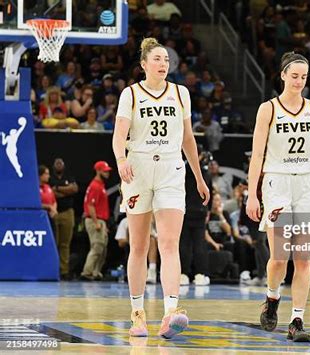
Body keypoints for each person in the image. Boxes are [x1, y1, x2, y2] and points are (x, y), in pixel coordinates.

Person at [112, 38, 210, 339]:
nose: (163, 63)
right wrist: (120, 159)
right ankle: (138, 314)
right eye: (157, 59)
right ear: (144, 64)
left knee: (169, 243)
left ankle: (171, 312)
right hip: (139, 169)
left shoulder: (180, 94)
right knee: (139, 246)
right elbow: (119, 136)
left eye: (166, 59)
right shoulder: (130, 94)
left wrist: (199, 176)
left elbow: (188, 139)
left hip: (171, 168)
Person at [246, 52, 310, 342]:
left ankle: (296, 320)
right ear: (283, 75)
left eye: (304, 76)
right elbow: (258, 154)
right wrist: (252, 193)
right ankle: (272, 297)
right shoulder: (268, 109)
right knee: (279, 258)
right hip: (277, 182)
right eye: (295, 75)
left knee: (303, 259)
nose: (299, 81)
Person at [179, 145, 213, 286]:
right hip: (200, 211)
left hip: (185, 210)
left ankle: (183, 275)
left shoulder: (181, 169)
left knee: (184, 243)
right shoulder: (204, 172)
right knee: (199, 244)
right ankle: (200, 275)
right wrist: (208, 210)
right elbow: (210, 191)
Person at [80, 161, 111, 281]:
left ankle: (95, 272)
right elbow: (90, 205)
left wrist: (103, 224)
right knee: (97, 247)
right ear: (98, 171)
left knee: (102, 249)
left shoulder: (100, 185)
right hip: (95, 220)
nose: (107, 173)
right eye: (105, 171)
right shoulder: (95, 186)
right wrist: (96, 222)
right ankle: (87, 272)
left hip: (101, 220)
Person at [49, 158, 78, 280]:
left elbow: (74, 189)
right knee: (53, 242)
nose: (59, 165)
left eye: (61, 163)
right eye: (57, 163)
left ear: (64, 165)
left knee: (65, 243)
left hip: (67, 212)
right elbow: (50, 193)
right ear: (54, 166)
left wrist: (58, 189)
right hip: (53, 213)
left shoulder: (69, 176)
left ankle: (64, 270)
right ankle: (52, 269)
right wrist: (66, 191)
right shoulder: (50, 178)